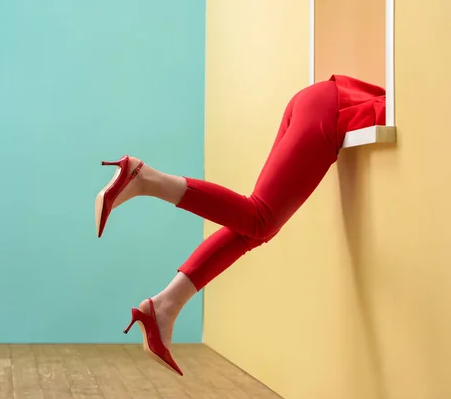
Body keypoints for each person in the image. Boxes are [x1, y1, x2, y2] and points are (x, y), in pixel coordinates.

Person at [94, 75, 386, 376]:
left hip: (319, 100)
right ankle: (144, 179)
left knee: (256, 227)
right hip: (331, 108)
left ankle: (164, 306)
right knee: (259, 217)